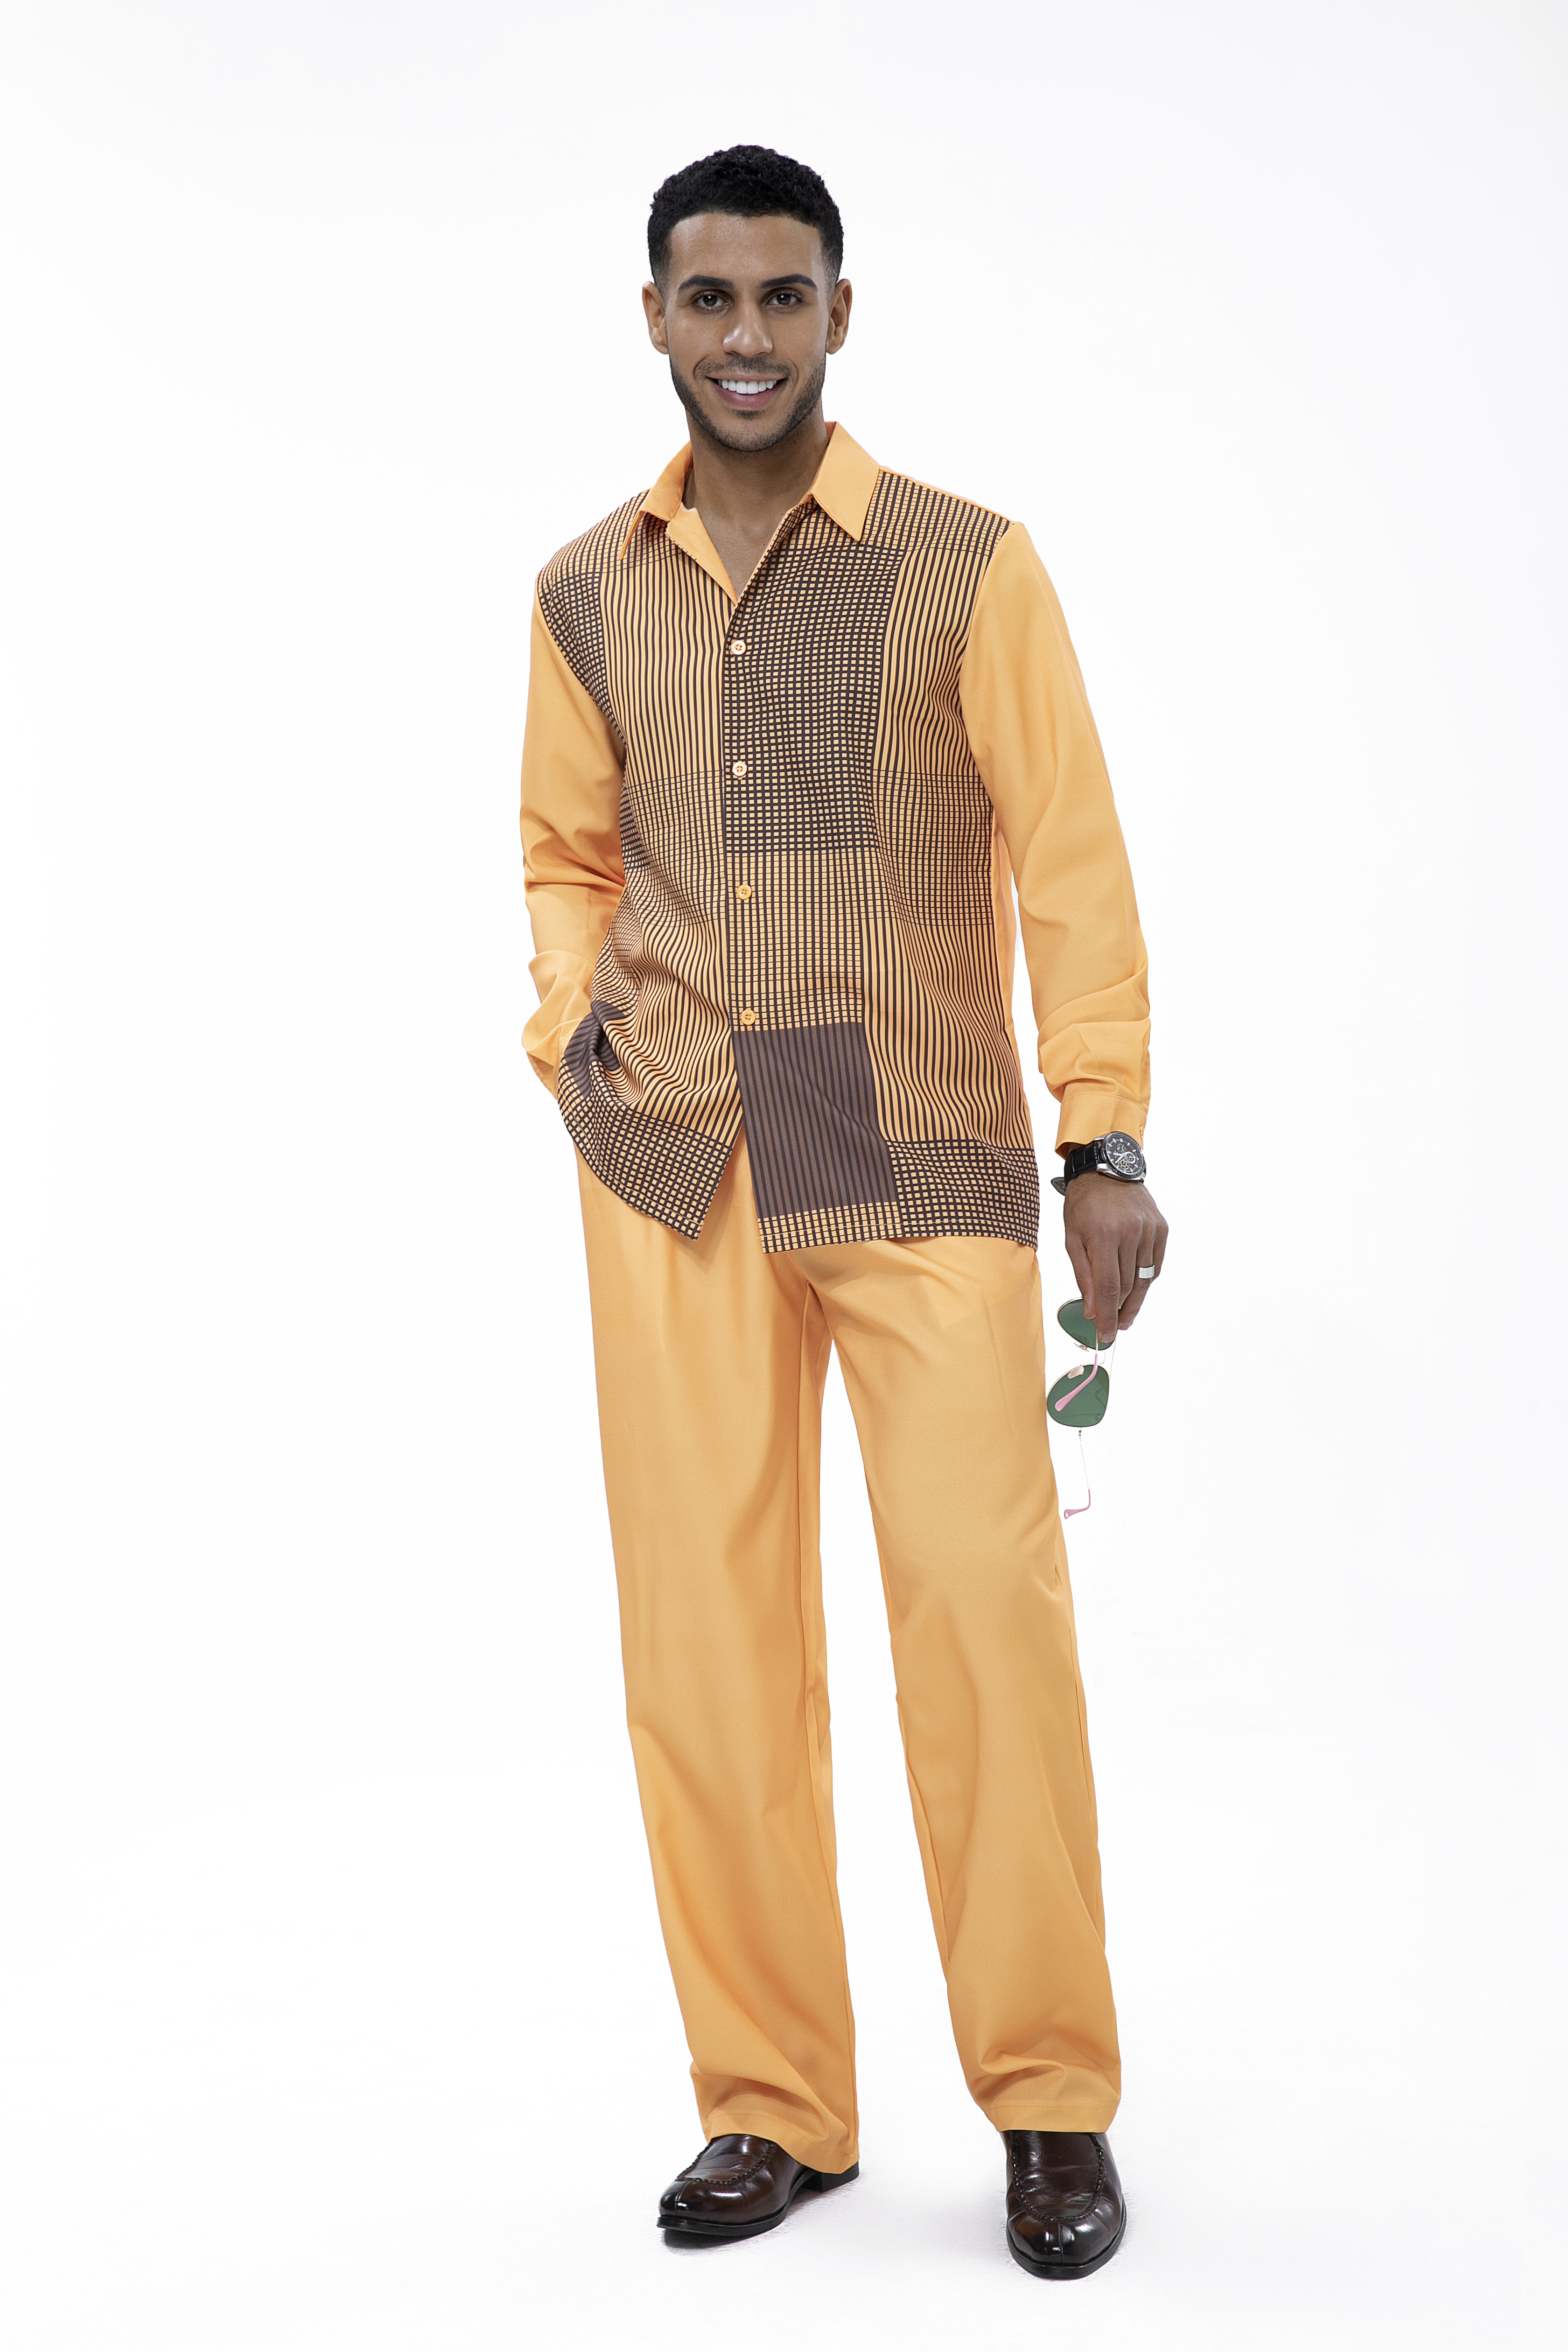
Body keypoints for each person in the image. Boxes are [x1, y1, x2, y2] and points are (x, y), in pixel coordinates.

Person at [519, 144, 1166, 2281]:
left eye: (782, 297)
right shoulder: (584, 590)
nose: (746, 338)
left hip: (913, 1130)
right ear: (655, 317)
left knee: (982, 1614)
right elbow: (565, 852)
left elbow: (1070, 859)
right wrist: (574, 1034)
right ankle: (774, 2106)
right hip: (677, 1144)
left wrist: (1103, 1141)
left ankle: (1050, 2100)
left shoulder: (970, 565)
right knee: (706, 1645)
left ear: (840, 314)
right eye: (708, 299)